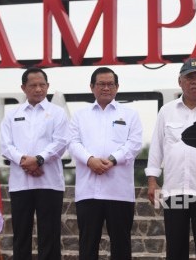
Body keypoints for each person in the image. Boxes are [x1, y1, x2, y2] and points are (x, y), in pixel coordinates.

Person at [145, 58, 196, 260]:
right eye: (189, 77)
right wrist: (152, 180)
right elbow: (157, 147)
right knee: (175, 248)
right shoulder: (166, 111)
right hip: (174, 190)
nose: (194, 82)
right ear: (180, 81)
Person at [68, 67, 142, 260]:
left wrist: (112, 159)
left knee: (121, 245)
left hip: (119, 192)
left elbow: (134, 145)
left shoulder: (130, 115)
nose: (106, 88)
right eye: (101, 84)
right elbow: (73, 143)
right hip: (88, 191)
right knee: (88, 244)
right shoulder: (80, 115)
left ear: (117, 87)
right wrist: (90, 160)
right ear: (92, 87)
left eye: (110, 84)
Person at [0, 67, 69, 260]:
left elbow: (61, 142)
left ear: (48, 86)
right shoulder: (12, 114)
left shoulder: (58, 113)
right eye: (33, 85)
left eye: (42, 85)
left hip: (50, 183)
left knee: (50, 234)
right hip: (20, 184)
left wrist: (38, 160)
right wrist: (26, 162)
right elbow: (6, 146)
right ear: (23, 88)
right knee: (21, 234)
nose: (38, 89)